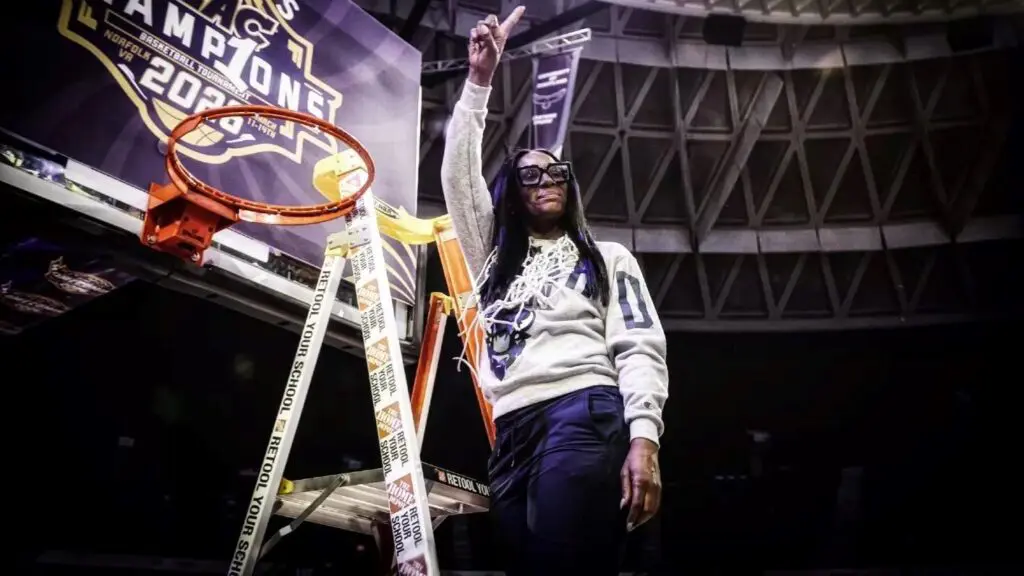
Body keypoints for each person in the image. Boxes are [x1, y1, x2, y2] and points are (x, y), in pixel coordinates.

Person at [440, 6, 669, 575]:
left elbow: (640, 347)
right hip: (511, 431)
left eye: (557, 172)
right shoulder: (491, 258)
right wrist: (479, 82)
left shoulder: (607, 258)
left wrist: (645, 438)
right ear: (512, 195)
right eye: (531, 174)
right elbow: (456, 177)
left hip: (582, 409)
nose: (548, 180)